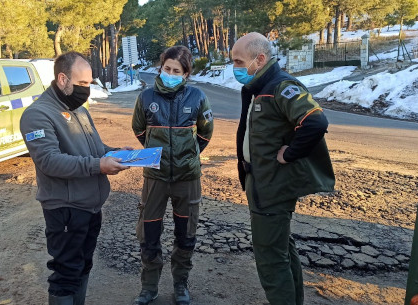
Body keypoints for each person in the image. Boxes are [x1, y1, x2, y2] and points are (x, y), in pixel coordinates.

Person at [231, 32, 336, 305]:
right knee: (281, 248)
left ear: (260, 59)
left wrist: (290, 154)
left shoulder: (281, 86)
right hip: (260, 181)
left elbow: (315, 122)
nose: (235, 68)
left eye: (239, 61)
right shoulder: (258, 87)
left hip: (272, 186)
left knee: (270, 258)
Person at [20, 51, 130, 305]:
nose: (86, 90)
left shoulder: (78, 109)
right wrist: (98, 166)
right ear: (62, 79)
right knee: (66, 275)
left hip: (90, 206)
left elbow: (94, 148)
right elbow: (49, 161)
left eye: (89, 83)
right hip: (66, 209)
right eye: (82, 84)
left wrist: (116, 154)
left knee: (83, 266)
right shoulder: (38, 115)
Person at [131, 45, 214, 305]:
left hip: (187, 177)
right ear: (161, 67)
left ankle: (181, 285)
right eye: (166, 68)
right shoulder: (146, 97)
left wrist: (188, 154)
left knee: (186, 233)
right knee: (149, 233)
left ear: (186, 73)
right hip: (155, 177)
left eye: (176, 70)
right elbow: (139, 129)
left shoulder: (197, 97)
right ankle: (149, 287)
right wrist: (158, 155)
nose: (170, 73)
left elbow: (205, 132)